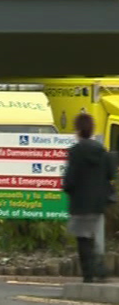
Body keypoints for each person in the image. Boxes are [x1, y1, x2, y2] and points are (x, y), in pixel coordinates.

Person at [63, 113, 117, 283]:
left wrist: (67, 188)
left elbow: (70, 179)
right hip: (99, 202)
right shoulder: (102, 151)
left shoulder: (76, 152)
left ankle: (91, 273)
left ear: (78, 129)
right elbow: (110, 174)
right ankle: (98, 269)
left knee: (83, 239)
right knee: (92, 235)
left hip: (80, 202)